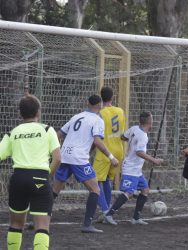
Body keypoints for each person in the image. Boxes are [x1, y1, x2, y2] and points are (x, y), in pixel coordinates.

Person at [0, 95, 61, 250]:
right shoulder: (47, 129)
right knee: (41, 226)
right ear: (38, 112)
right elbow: (58, 159)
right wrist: (47, 176)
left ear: (20, 113)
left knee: (15, 224)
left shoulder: (13, 132)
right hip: (40, 177)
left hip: (18, 178)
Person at [53, 95, 119, 233]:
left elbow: (58, 134)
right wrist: (111, 157)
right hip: (78, 159)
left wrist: (55, 150)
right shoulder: (97, 120)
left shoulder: (76, 116)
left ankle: (38, 220)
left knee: (54, 190)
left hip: (65, 155)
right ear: (100, 105)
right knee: (95, 189)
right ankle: (87, 225)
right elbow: (97, 141)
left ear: (87, 103)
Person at [104, 111, 163, 225]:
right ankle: (109, 215)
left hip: (136, 170)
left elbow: (123, 137)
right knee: (129, 192)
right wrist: (154, 160)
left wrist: (132, 141)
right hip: (130, 168)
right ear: (150, 123)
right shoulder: (143, 136)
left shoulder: (134, 128)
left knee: (145, 190)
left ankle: (136, 218)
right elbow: (139, 152)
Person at [93, 87, 126, 224]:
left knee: (94, 181)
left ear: (101, 98)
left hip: (105, 152)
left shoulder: (100, 114)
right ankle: (108, 212)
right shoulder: (120, 111)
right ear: (113, 97)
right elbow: (123, 133)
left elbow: (97, 135)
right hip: (118, 151)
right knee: (106, 180)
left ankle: (106, 212)